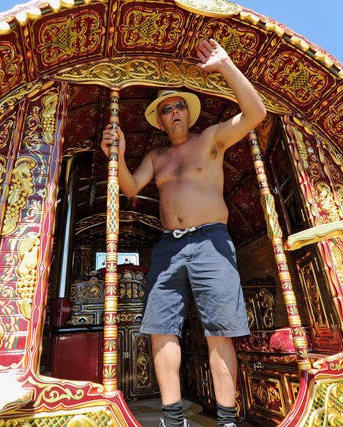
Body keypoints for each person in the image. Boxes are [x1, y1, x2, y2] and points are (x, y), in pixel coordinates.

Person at [100, 39, 266, 427]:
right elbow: (128, 188)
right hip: (168, 247)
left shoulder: (210, 139)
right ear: (159, 120)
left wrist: (224, 63)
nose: (173, 112)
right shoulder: (156, 157)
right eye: (165, 109)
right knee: (160, 329)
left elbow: (255, 113)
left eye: (178, 106)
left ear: (188, 115)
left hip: (211, 241)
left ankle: (226, 420)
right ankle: (172, 419)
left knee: (219, 332)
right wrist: (119, 154)